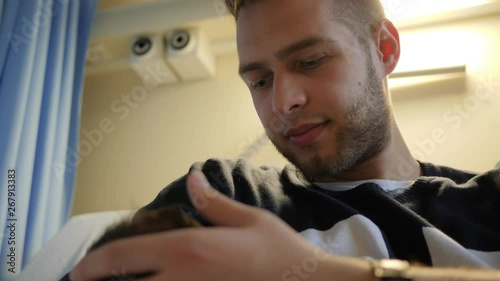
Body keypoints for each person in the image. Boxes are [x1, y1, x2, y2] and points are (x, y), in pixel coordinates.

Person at [69, 0, 500, 280]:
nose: (283, 101)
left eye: (310, 60)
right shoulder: (225, 196)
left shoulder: (490, 201)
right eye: (259, 81)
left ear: (384, 50)